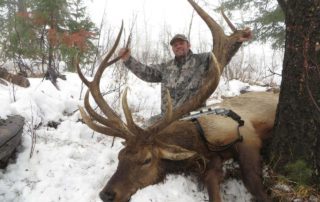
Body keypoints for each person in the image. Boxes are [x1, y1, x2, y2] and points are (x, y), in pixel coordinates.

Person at [118, 33, 250, 125]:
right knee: (142, 134)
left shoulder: (203, 60)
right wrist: (128, 60)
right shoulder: (166, 67)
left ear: (189, 45)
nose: (178, 46)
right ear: (172, 49)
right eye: (175, 45)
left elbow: (222, 57)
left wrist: (236, 42)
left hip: (194, 118)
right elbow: (147, 73)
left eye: (181, 43)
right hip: (167, 119)